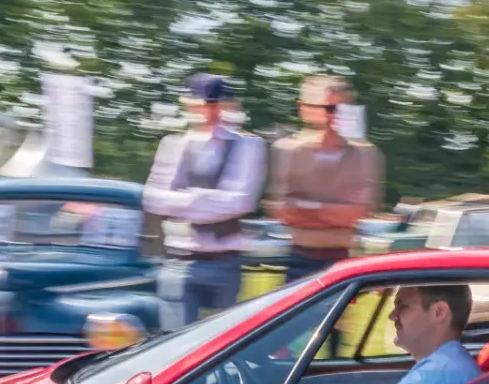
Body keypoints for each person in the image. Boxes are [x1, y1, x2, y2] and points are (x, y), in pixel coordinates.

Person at [143, 74, 266, 328]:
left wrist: (186, 200)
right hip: (178, 260)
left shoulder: (249, 145)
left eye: (217, 105)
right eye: (204, 104)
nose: (211, 112)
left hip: (226, 261)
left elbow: (241, 201)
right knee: (175, 346)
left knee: (226, 346)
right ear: (189, 105)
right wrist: (209, 200)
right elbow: (153, 199)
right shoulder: (173, 144)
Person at [267, 75, 384, 281]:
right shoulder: (287, 150)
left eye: (341, 109)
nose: (335, 116)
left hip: (344, 261)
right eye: (328, 108)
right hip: (298, 257)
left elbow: (358, 212)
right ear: (304, 108)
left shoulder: (365, 154)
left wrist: (306, 207)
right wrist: (333, 211)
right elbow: (282, 210)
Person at [385, 283, 482, 384]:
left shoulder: (434, 375)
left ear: (439, 312)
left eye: (403, 307)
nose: (392, 316)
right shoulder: (449, 364)